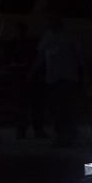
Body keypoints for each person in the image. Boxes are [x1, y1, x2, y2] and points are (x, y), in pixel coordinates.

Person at [32, 14, 84, 144]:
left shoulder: (68, 36)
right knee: (59, 107)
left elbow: (79, 56)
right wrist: (32, 71)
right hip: (55, 77)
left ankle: (68, 134)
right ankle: (64, 134)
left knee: (64, 107)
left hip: (66, 77)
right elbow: (41, 56)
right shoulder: (48, 36)